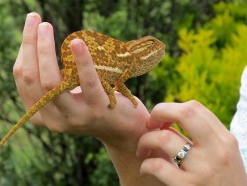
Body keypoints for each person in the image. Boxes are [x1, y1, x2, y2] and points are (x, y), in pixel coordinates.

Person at [13, 12, 247, 185]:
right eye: (150, 46)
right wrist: (127, 135)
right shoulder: (127, 60)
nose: (156, 50)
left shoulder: (126, 61)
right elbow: (118, 84)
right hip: (89, 70)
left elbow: (117, 83)